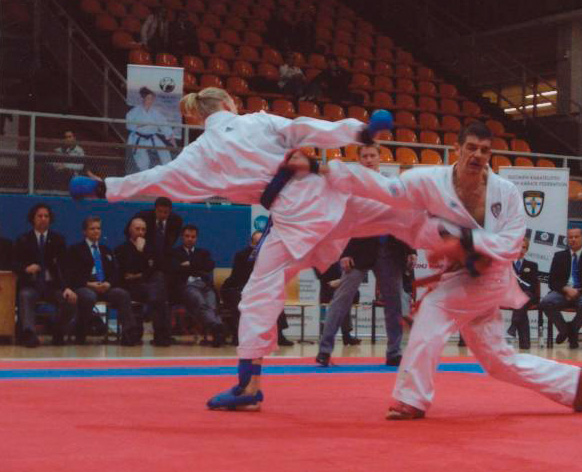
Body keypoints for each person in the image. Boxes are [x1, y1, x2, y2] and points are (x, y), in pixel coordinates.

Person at [72, 86, 449, 412]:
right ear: (229, 104)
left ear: (200, 117)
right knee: (399, 219)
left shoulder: (199, 152)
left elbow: (158, 178)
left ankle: (249, 385)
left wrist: (104, 187)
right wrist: (360, 131)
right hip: (326, 197)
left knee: (257, 296)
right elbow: (304, 127)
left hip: (293, 219)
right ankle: (462, 241)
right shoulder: (256, 121)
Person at [326, 121, 582, 419]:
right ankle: (574, 384)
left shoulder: (505, 192)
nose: (477, 155)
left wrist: (466, 242)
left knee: (432, 311)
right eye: (471, 147)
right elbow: (389, 190)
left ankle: (412, 398)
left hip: (491, 275)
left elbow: (511, 243)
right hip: (460, 276)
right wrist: (331, 172)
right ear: (457, 149)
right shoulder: (432, 181)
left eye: (484, 150)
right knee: (497, 361)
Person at [316, 144, 416, 368]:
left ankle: (394, 352)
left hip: (390, 249)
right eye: (365, 156)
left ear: (380, 158)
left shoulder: (392, 185)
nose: (369, 159)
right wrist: (344, 253)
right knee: (342, 299)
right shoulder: (351, 186)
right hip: (358, 250)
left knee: (394, 304)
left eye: (372, 156)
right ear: (359, 160)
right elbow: (344, 220)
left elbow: (405, 217)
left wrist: (411, 249)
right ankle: (324, 350)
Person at [66, 216, 141, 346]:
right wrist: (89, 284)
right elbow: (72, 274)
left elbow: (115, 272)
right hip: (85, 285)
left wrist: (109, 283)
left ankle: (129, 333)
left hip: (104, 286)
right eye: (92, 228)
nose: (96, 231)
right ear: (85, 232)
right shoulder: (75, 250)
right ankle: (80, 330)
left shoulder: (106, 250)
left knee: (122, 294)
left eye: (98, 228)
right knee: (88, 297)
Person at [13, 204, 76, 347]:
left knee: (69, 300)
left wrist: (67, 287)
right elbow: (14, 263)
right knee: (25, 296)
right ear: (33, 219)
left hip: (52, 286)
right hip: (31, 284)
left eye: (46, 216)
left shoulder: (58, 240)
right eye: (39, 216)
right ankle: (29, 334)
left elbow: (65, 267)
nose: (43, 219)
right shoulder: (23, 239)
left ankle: (58, 331)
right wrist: (25, 268)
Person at [220, 231, 293, 347]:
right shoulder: (242, 255)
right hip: (236, 288)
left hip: (258, 288)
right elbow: (238, 277)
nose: (260, 246)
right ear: (251, 243)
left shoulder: (270, 256)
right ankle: (238, 336)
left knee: (275, 298)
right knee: (241, 303)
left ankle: (279, 335)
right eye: (257, 243)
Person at [540, 227, 582, 350]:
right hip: (563, 293)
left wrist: (578, 291)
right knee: (546, 302)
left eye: (576, 237)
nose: (573, 239)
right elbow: (552, 282)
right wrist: (566, 289)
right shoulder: (559, 256)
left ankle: (573, 328)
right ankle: (564, 330)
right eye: (570, 237)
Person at [115, 216, 173, 347]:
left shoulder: (152, 248)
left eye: (143, 229)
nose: (141, 232)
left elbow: (156, 268)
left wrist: (139, 274)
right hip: (131, 287)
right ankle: (162, 335)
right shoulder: (121, 249)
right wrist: (139, 252)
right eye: (137, 229)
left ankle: (160, 334)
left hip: (149, 286)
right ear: (130, 230)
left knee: (158, 282)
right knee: (158, 294)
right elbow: (126, 272)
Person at [169, 224, 226, 347]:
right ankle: (218, 327)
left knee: (212, 305)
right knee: (200, 303)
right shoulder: (174, 253)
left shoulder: (203, 252)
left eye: (193, 237)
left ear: (196, 238)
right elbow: (174, 268)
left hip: (205, 285)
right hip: (187, 286)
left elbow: (209, 266)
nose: (190, 239)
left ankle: (216, 329)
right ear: (182, 237)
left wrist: (189, 264)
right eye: (187, 236)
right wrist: (197, 265)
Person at [126, 87, 177, 172]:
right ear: (143, 99)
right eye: (148, 98)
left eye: (152, 99)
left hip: (151, 137)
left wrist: (171, 138)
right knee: (143, 162)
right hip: (138, 138)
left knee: (164, 152)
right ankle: (145, 175)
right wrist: (140, 125)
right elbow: (129, 125)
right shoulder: (135, 111)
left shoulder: (155, 113)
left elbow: (163, 124)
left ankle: (167, 172)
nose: (150, 101)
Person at [134, 196, 183, 274]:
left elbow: (172, 240)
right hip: (144, 253)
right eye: (159, 211)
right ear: (155, 209)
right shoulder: (143, 217)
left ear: (170, 211)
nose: (162, 215)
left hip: (164, 255)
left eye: (166, 212)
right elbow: (129, 232)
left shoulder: (176, 221)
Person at [507, 237, 539, 350]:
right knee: (521, 305)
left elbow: (533, 286)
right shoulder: (506, 264)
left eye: (524, 247)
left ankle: (513, 326)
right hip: (510, 296)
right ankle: (525, 344)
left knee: (524, 297)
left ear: (526, 250)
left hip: (528, 295)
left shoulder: (532, 265)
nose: (521, 250)